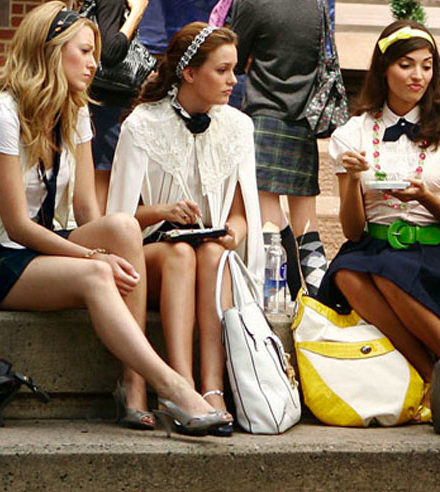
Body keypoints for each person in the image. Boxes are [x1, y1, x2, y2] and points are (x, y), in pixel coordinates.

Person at [0, 1, 229, 436]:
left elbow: (88, 210)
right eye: (85, 52)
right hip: (8, 254)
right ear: (50, 50)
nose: (94, 63)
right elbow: (17, 226)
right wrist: (93, 257)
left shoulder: (74, 110)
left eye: (95, 53)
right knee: (96, 276)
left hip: (47, 242)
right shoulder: (5, 113)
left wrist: (112, 243)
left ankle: (132, 384)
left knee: (122, 225)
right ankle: (173, 387)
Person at [106, 22, 264, 436]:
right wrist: (164, 211)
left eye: (235, 70)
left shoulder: (239, 127)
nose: (233, 81)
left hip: (208, 254)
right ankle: (179, 387)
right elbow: (118, 220)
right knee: (179, 253)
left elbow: (241, 216)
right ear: (190, 73)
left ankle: (212, 388)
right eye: (222, 70)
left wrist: (232, 235)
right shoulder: (142, 124)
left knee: (212, 252)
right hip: (150, 257)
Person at [316, 20, 440, 411]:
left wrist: (426, 197)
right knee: (346, 272)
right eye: (406, 65)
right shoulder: (354, 133)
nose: (417, 75)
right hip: (375, 245)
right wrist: (352, 179)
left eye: (427, 65)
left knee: (384, 271)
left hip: (434, 250)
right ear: (384, 68)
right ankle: (432, 372)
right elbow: (353, 231)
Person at [231, 0, 330, 297]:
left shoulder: (253, 3)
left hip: (264, 117)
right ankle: (323, 300)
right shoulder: (316, 5)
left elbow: (234, 59)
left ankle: (274, 303)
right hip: (304, 120)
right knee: (307, 228)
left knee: (268, 224)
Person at [87, 0, 150, 213]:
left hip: (108, 101)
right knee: (104, 177)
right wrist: (136, 13)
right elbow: (110, 52)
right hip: (107, 102)